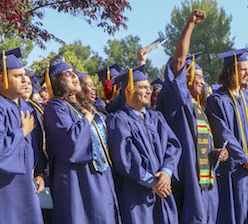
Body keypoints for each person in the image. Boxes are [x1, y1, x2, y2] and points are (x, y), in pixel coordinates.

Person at [157, 10, 228, 224]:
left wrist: (215, 153)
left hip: (205, 179)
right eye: (197, 77)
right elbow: (178, 61)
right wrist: (190, 26)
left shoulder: (198, 106)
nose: (202, 82)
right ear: (184, 78)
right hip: (185, 179)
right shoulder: (174, 98)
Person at [43, 62, 121, 224]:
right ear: (56, 81)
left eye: (74, 73)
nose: (74, 76)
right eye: (67, 73)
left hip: (101, 175)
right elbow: (70, 145)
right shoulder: (56, 107)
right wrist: (86, 119)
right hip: (77, 179)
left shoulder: (84, 107)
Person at [107, 65, 182, 224]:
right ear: (128, 91)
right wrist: (153, 182)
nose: (149, 91)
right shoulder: (118, 120)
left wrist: (167, 172)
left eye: (150, 87)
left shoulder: (156, 117)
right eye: (143, 87)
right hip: (137, 197)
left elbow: (173, 145)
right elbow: (125, 159)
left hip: (163, 190)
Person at [206, 49, 248, 224]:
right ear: (230, 71)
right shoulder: (216, 100)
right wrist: (245, 160)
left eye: (247, 69)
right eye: (243, 69)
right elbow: (223, 133)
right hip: (235, 169)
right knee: (238, 215)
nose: (247, 73)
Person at [0, 48, 46, 224]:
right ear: (2, 79)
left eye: (24, 75)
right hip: (6, 188)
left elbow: (37, 146)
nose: (24, 79)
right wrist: (22, 132)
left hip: (29, 185)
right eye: (17, 76)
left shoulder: (28, 109)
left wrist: (40, 172)